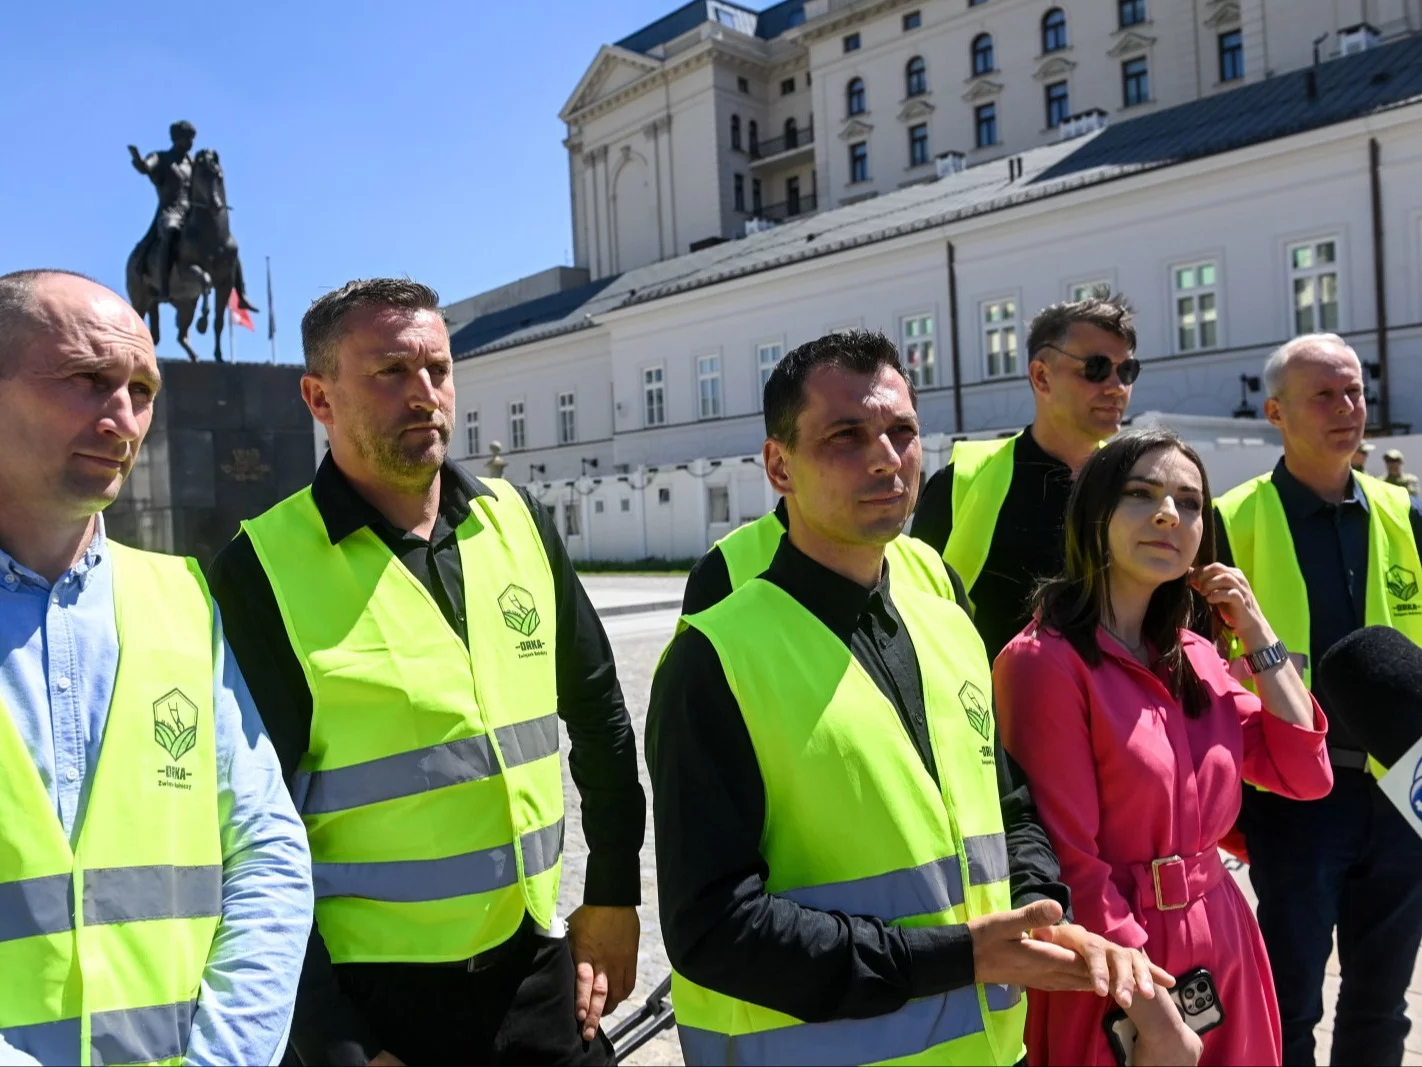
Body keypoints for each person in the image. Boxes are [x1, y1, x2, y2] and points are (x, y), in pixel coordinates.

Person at [648, 332, 1172, 1066]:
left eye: (902, 432)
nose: (886, 457)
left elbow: (1005, 802)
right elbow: (714, 930)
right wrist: (958, 957)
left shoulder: (944, 616)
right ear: (779, 466)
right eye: (846, 436)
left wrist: (1043, 910)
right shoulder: (714, 658)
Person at [208, 278, 645, 1067]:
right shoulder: (260, 570)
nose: (426, 396)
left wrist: (613, 889)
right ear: (319, 396)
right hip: (383, 1006)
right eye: (391, 373)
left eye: (438, 370)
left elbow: (600, 711)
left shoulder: (517, 522)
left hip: (537, 966)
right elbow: (238, 834)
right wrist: (340, 1043)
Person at [0, 269, 312, 1066]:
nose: (124, 417)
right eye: (88, 379)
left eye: (142, 389)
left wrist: (226, 1059)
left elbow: (268, 852)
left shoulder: (179, 597)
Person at [996, 428, 1333, 1066]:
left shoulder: (1198, 657)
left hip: (1222, 938)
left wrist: (1256, 630)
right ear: (1094, 512)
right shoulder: (1043, 663)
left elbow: (1305, 773)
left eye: (1189, 501)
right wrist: (1152, 1012)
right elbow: (1072, 862)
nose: (1168, 514)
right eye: (1140, 493)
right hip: (1115, 960)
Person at [1213, 333, 1422, 1065]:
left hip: (1402, 786)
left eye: (1356, 392)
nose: (1348, 409)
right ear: (1275, 411)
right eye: (1324, 395)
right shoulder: (1228, 519)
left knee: (1381, 1002)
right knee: (1289, 999)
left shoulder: (1404, 513)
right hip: (1294, 792)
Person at [913, 290, 1138, 661]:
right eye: (1096, 368)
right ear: (1041, 376)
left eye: (1127, 370)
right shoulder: (961, 483)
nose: (1117, 387)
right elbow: (914, 615)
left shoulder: (1135, 486)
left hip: (1111, 715)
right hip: (992, 712)